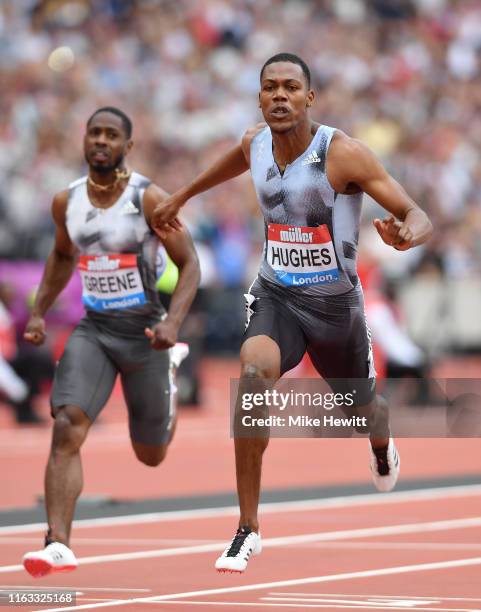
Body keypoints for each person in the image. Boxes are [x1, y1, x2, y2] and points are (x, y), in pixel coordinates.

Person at [153, 53, 433, 574]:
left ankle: (380, 444)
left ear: (310, 98)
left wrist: (407, 233)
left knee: (362, 409)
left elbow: (417, 214)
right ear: (260, 97)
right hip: (278, 296)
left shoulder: (341, 153)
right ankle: (247, 527)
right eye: (269, 87)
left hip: (335, 309)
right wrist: (182, 196)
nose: (279, 95)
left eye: (290, 87)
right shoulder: (253, 142)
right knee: (253, 373)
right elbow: (233, 160)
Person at [22, 107, 200, 578]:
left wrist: (172, 324)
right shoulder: (67, 202)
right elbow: (62, 256)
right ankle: (57, 542)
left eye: (111, 134)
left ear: (128, 146)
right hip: (95, 330)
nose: (101, 140)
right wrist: (40, 311)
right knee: (66, 425)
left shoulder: (149, 199)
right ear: (84, 140)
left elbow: (190, 264)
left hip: (147, 337)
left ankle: (171, 378)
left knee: (151, 454)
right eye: (94, 132)